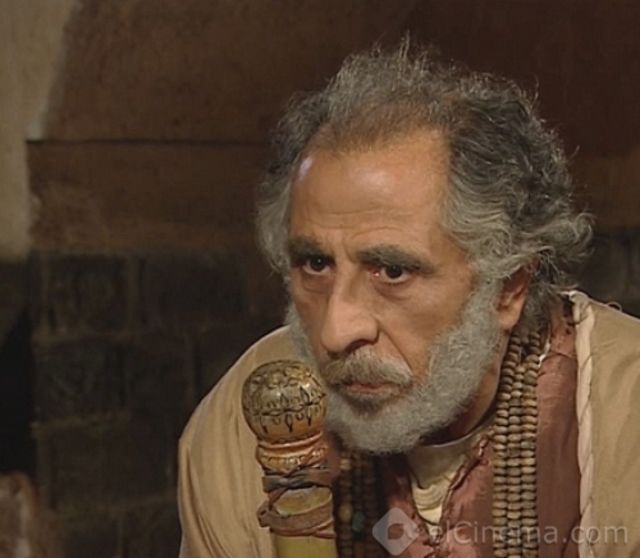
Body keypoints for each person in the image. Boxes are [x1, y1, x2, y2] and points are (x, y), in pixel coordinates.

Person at [177, 44, 640, 558]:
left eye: (392, 271)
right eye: (315, 264)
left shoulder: (624, 414)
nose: (335, 332)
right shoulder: (248, 419)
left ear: (508, 288)